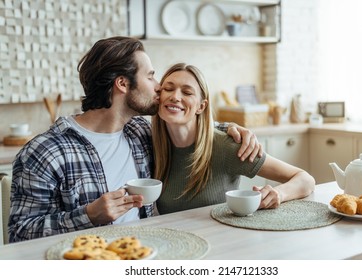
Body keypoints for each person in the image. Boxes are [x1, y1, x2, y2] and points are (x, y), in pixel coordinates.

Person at [8, 37, 261, 243]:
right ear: (122, 84)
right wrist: (88, 215)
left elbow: (190, 122)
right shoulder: (44, 152)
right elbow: (20, 234)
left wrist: (230, 128)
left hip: (147, 253)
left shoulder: (140, 132)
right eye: (150, 76)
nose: (159, 86)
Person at [152, 63, 316, 214]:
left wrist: (278, 193)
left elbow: (305, 179)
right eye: (168, 89)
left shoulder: (225, 147)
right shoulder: (149, 145)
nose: (175, 96)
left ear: (201, 106)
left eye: (187, 92)